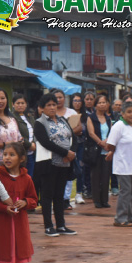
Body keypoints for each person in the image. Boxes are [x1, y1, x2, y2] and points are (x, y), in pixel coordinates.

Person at [34, 93, 78, 237]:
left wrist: (71, 153)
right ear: (42, 108)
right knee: (47, 196)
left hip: (64, 164)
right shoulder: (39, 123)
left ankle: (61, 225)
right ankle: (48, 226)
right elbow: (46, 142)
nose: (52, 107)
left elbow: (73, 137)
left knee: (59, 195)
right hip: (49, 164)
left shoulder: (63, 120)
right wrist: (65, 153)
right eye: (49, 105)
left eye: (54, 104)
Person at [105, 102, 132, 227]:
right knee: (125, 191)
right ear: (122, 113)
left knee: (130, 192)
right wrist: (112, 152)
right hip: (123, 164)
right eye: (129, 112)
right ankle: (120, 218)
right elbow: (110, 144)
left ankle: (129, 216)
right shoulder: (119, 126)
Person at [53, 89, 80, 210]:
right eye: (56, 97)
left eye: (60, 97)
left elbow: (79, 128)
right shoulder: (50, 113)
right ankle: (57, 198)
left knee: (69, 175)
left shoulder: (71, 112)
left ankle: (66, 199)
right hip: (55, 149)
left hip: (70, 146)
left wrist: (66, 133)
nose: (58, 100)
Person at [86, 95, 113, 209]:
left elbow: (111, 132)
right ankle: (97, 200)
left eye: (104, 102)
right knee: (96, 176)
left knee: (106, 176)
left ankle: (104, 200)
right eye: (100, 102)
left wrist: (107, 142)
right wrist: (101, 142)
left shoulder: (108, 118)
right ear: (95, 105)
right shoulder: (91, 117)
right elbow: (91, 133)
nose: (102, 104)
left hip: (106, 151)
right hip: (96, 150)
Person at [0, 88, 22, 166]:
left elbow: (19, 139)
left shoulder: (13, 120)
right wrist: (5, 144)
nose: (0, 101)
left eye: (2, 98)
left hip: (14, 163)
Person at [12, 93, 36, 177]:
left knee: (30, 177)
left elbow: (35, 132)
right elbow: (18, 135)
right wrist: (29, 145)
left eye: (22, 103)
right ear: (13, 104)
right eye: (18, 103)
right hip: (21, 153)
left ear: (26, 104)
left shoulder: (30, 117)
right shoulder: (12, 118)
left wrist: (34, 143)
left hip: (32, 154)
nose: (20, 105)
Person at [69, 93, 86, 205]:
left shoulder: (85, 116)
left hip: (81, 145)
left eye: (79, 101)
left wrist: (79, 131)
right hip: (70, 145)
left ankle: (79, 193)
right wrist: (75, 131)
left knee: (80, 169)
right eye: (75, 100)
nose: (77, 103)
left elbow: (84, 130)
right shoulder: (69, 114)